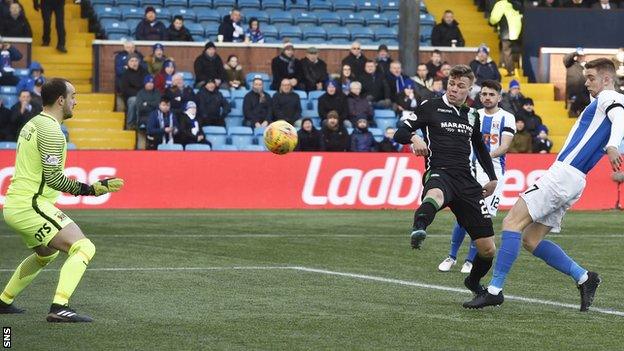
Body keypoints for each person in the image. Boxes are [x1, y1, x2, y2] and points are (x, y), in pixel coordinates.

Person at [464, 58, 624, 310]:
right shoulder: (600, 101)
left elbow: (620, 116)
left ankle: (494, 289)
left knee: (511, 223)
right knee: (531, 240)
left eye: (591, 78)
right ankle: (585, 277)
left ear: (606, 79)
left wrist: (613, 144)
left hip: (563, 175)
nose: (586, 82)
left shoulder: (608, 97)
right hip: (574, 180)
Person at [0, 78, 124, 322]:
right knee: (84, 247)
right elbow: (55, 179)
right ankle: (60, 306)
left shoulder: (33, 123)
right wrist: (91, 189)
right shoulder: (52, 132)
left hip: (17, 203)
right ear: (60, 100)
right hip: (31, 205)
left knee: (46, 254)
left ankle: (4, 300)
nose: (75, 102)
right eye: (73, 96)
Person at [393, 65, 499, 302]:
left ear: (470, 90)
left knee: (488, 249)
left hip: (466, 180)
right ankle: (419, 227)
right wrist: (414, 137)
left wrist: (492, 178)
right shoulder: (430, 107)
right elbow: (399, 133)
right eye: (451, 84)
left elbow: (481, 149)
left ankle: (473, 281)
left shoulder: (472, 115)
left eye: (460, 86)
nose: (454, 89)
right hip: (439, 171)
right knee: (436, 196)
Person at [438, 80, 516, 274]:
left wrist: (485, 156)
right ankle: (452, 256)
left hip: (494, 175)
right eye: (484, 94)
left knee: (483, 217)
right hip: (470, 171)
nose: (487, 98)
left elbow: (505, 146)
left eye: (491, 94)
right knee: (463, 217)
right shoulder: (472, 115)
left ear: (499, 97)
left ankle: (470, 260)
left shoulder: (508, 118)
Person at [489, 0, 523, 76]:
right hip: (518, 30)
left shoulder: (501, 4)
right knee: (504, 47)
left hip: (507, 30)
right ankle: (501, 64)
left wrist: (491, 22)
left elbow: (494, 18)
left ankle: (511, 71)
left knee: (507, 50)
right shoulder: (516, 3)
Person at [119, 54, 148, 129]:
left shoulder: (144, 72)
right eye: (131, 61)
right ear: (128, 63)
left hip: (144, 94)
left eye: (136, 61)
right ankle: (130, 124)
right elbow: (125, 89)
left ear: (139, 62)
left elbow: (148, 84)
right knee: (134, 101)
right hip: (131, 96)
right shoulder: (125, 74)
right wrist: (138, 95)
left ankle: (142, 124)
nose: (134, 63)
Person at [564, 48, 590, 117]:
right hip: (573, 93)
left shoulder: (588, 66)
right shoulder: (570, 64)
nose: (581, 57)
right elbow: (566, 59)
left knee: (585, 115)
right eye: (579, 55)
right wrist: (575, 53)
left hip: (585, 94)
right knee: (572, 114)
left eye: (582, 55)